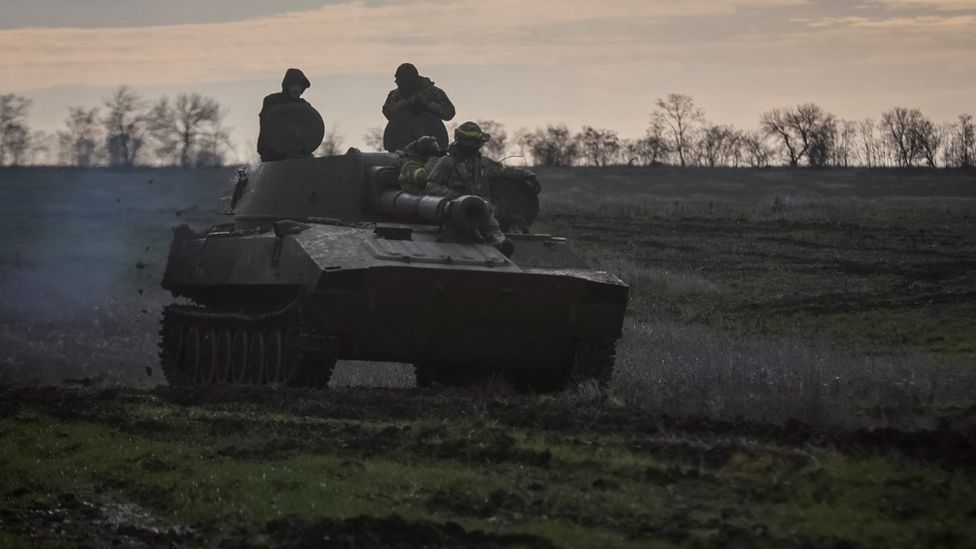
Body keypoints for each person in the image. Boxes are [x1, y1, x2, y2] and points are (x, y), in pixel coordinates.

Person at [424, 121, 541, 250]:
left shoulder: (483, 163)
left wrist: (529, 175)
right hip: (454, 209)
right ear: (461, 141)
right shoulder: (447, 162)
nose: (474, 146)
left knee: (490, 221)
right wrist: (455, 197)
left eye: (476, 142)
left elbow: (504, 171)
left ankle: (500, 244)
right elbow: (431, 185)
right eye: (470, 141)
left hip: (482, 210)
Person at [381, 63, 455, 151]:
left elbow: (449, 112)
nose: (396, 82)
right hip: (401, 146)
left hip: (431, 148)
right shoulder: (395, 95)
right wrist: (405, 103)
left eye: (400, 79)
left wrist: (427, 105)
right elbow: (388, 112)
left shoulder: (432, 92)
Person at [257, 68, 312, 162]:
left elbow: (311, 130)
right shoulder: (272, 101)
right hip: (272, 154)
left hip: (299, 154)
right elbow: (269, 125)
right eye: (293, 86)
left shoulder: (305, 107)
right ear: (287, 86)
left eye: (299, 86)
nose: (296, 89)